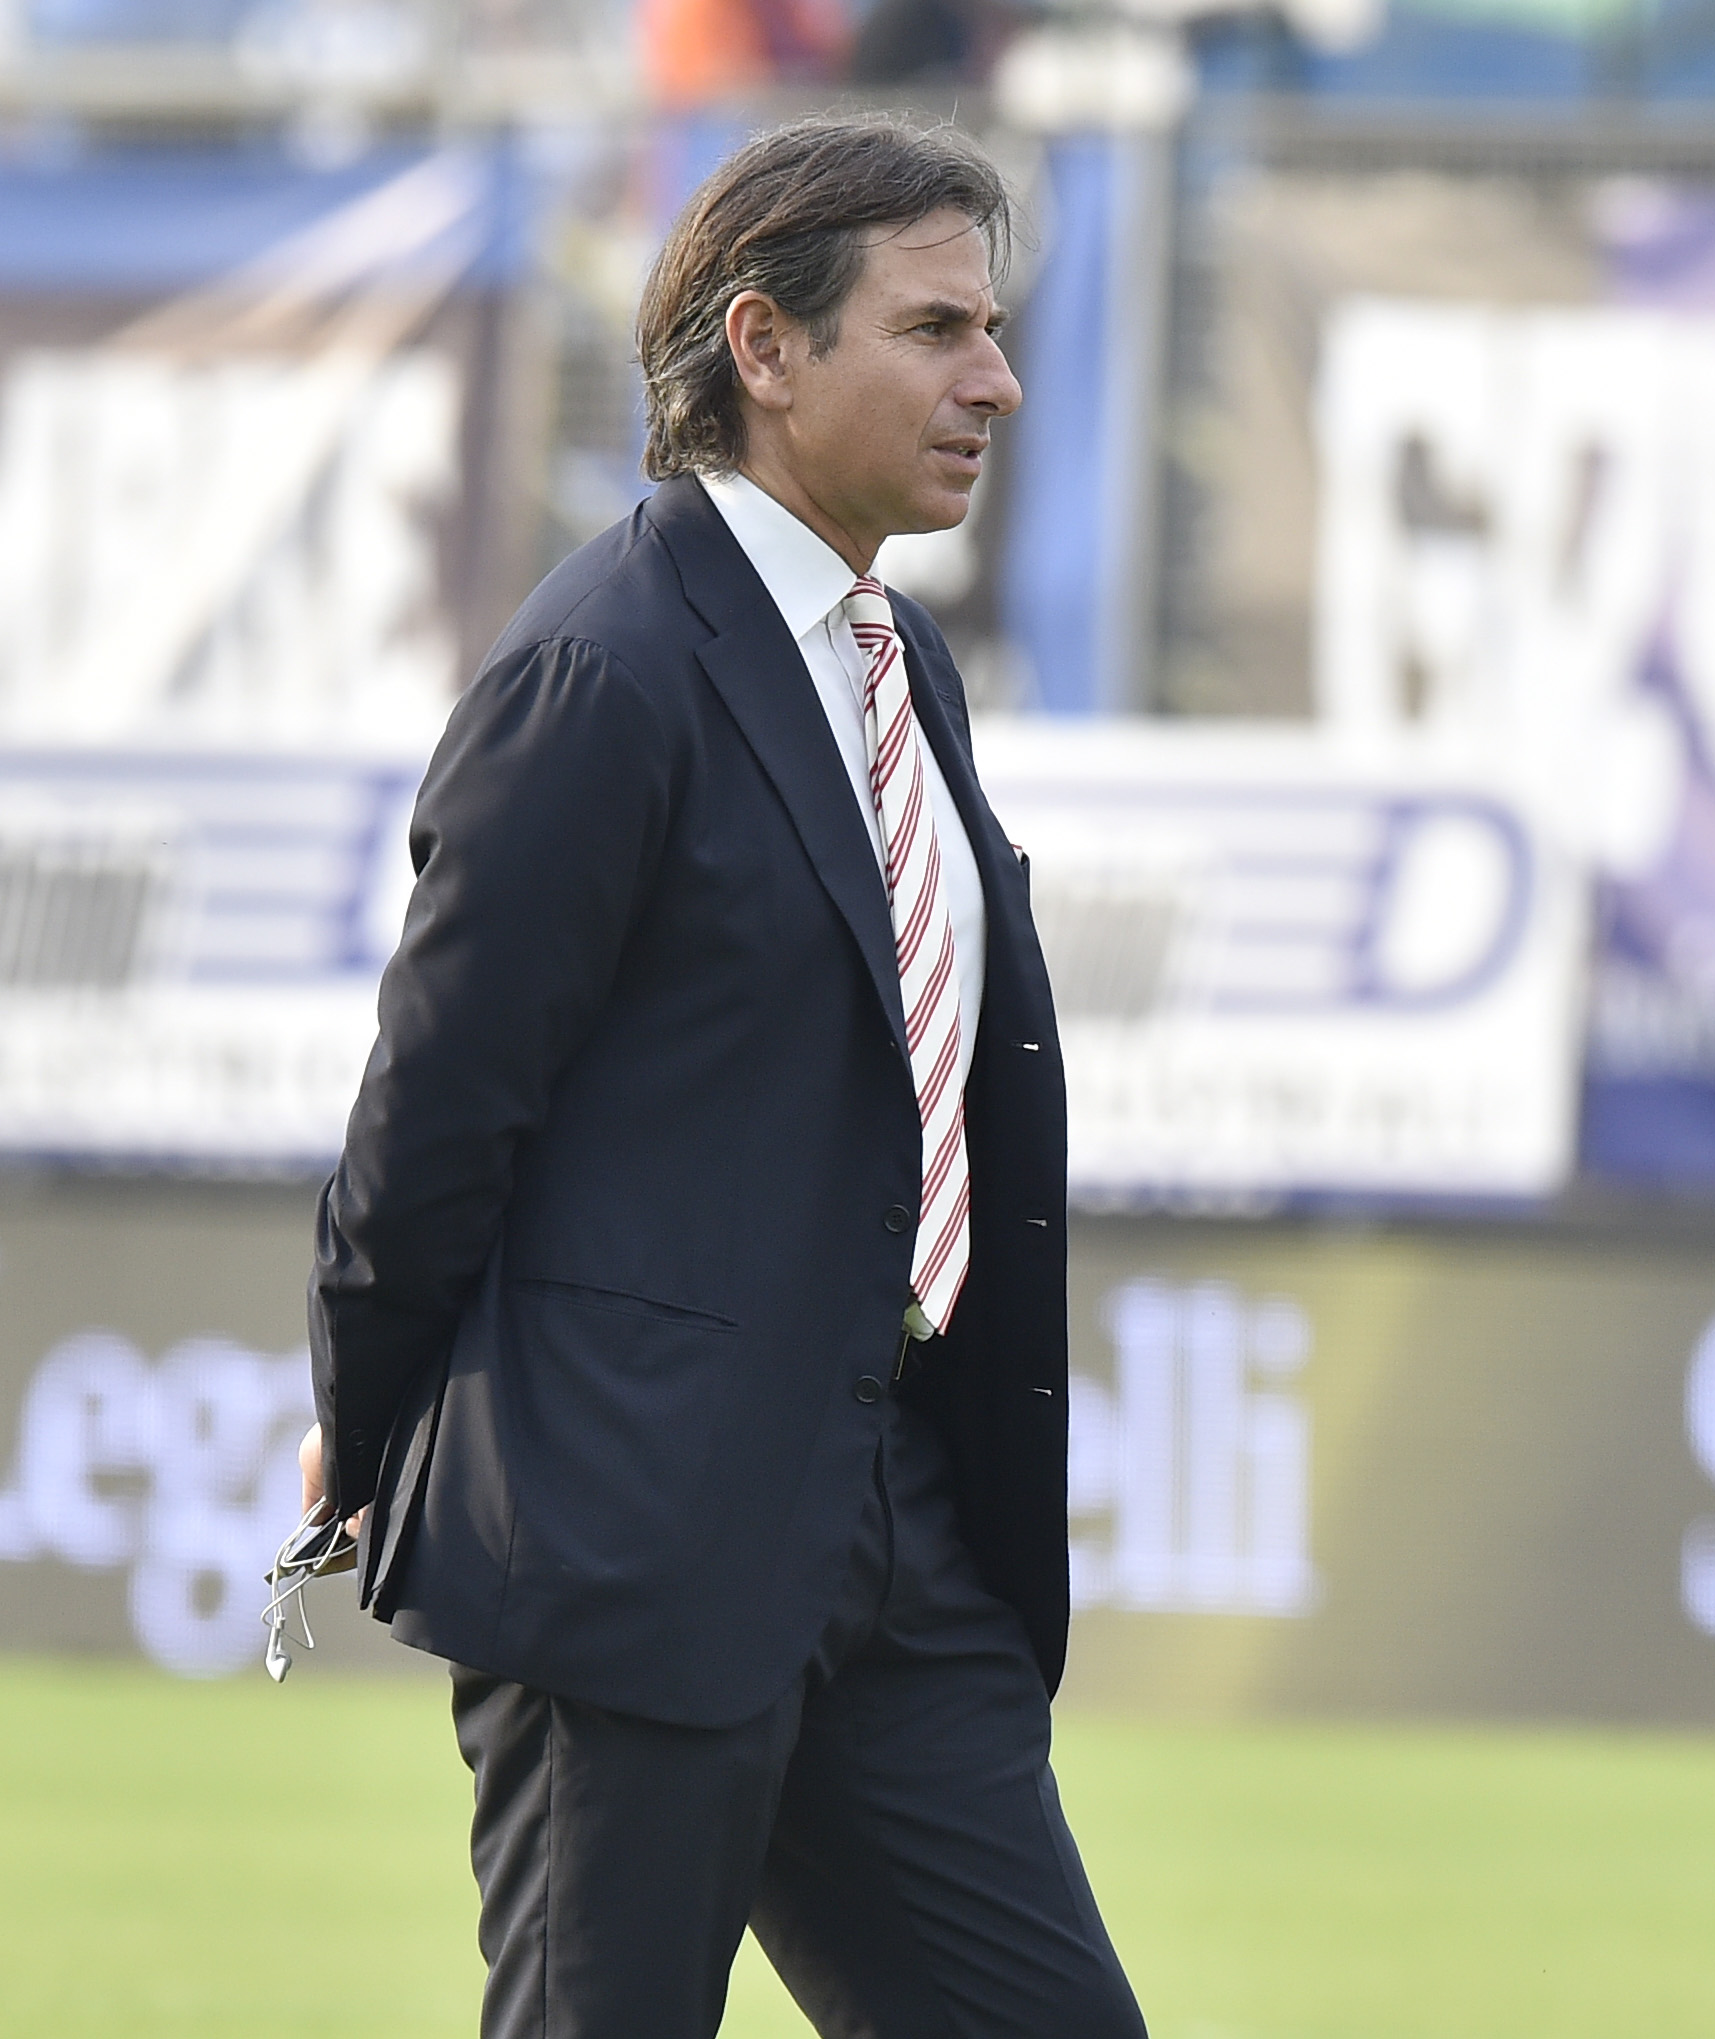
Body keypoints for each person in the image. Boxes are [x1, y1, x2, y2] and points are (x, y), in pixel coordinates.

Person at [296, 116, 1148, 2039]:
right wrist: (360, 1403)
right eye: (935, 329)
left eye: (993, 329)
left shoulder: (892, 660)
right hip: (632, 1537)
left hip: (891, 1530)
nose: (995, 382)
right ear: (762, 345)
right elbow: (436, 1107)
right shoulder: (603, 668)